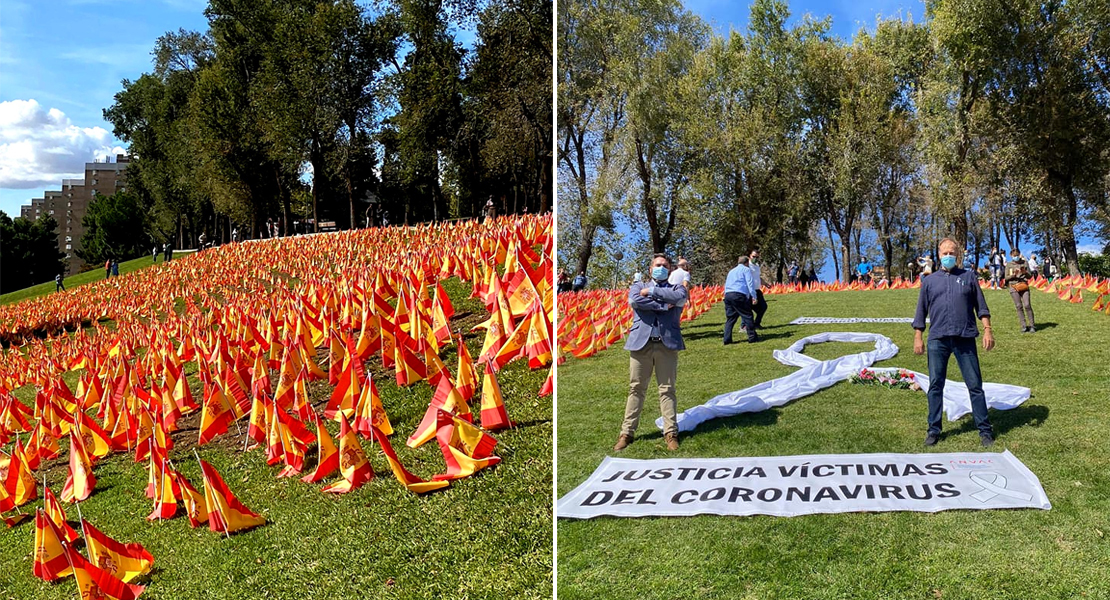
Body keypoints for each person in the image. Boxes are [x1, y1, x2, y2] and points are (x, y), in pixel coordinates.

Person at [912, 237, 996, 447]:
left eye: (952, 253)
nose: (948, 256)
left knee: (975, 385)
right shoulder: (929, 281)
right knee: (935, 385)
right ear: (938, 255)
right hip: (938, 339)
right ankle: (933, 430)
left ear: (957, 255)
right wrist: (918, 336)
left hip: (965, 337)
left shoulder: (969, 277)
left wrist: (988, 330)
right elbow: (921, 310)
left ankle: (985, 430)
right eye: (944, 253)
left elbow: (982, 307)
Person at [614, 253, 688, 452]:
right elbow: (635, 301)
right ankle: (626, 433)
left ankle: (671, 433)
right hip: (641, 344)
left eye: (664, 265)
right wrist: (664, 305)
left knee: (667, 389)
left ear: (670, 269)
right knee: (636, 389)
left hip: (668, 344)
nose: (661, 268)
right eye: (657, 265)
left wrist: (652, 291)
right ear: (650, 269)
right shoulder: (638, 286)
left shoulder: (677, 286)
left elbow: (680, 297)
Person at [723, 256, 759, 344]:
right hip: (738, 294)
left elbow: (727, 283)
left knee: (730, 318)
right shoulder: (746, 270)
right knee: (747, 315)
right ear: (746, 263)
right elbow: (750, 283)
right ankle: (752, 337)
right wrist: (754, 296)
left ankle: (727, 339)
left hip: (728, 294)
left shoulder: (731, 271)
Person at [1004, 249, 1035, 333]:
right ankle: (1024, 326)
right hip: (1013, 286)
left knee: (1027, 305)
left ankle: (1032, 325)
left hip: (1024, 286)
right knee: (1018, 306)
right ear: (1011, 256)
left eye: (1017, 255)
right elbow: (1006, 277)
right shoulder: (1009, 265)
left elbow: (1029, 276)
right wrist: (1013, 275)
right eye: (1014, 256)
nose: (1016, 257)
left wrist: (1025, 272)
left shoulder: (1025, 263)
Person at [748, 249, 767, 328]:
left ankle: (756, 323)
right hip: (750, 290)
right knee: (748, 309)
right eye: (753, 256)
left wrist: (765, 284)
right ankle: (744, 326)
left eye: (756, 257)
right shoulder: (747, 265)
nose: (755, 258)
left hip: (757, 289)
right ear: (750, 256)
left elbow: (758, 277)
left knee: (763, 307)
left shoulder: (757, 265)